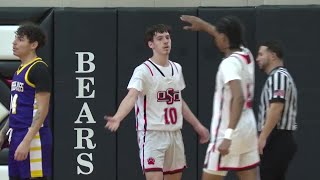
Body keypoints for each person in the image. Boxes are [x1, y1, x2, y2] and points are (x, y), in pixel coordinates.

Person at [104, 24, 209, 180]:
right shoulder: (143, 70)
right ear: (151, 44)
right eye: (160, 39)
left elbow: (179, 101)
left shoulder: (177, 68)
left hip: (175, 134)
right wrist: (118, 117)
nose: (165, 41)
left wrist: (197, 125)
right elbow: (131, 96)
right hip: (152, 134)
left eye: (167, 37)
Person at [180, 15, 259, 180]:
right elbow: (225, 36)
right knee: (248, 175)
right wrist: (204, 25)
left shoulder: (228, 64)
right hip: (248, 129)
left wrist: (228, 136)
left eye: (218, 36)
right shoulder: (247, 54)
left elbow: (238, 98)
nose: (216, 39)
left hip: (227, 131)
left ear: (223, 38)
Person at [0, 22, 52, 180]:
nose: (14, 43)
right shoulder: (20, 70)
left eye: (20, 39)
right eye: (15, 39)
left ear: (33, 45)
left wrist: (27, 141)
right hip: (16, 134)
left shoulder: (39, 69)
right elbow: (17, 107)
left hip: (33, 137)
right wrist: (2, 133)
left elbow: (42, 110)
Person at [256, 40, 298, 180]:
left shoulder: (279, 76)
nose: (258, 58)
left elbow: (276, 108)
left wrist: (262, 138)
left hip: (278, 138)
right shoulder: (276, 77)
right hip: (276, 138)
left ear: (273, 55)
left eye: (261, 54)